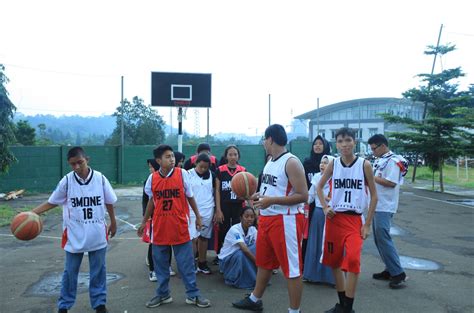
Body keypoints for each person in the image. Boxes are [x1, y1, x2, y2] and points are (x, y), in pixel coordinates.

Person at [31, 146, 117, 313]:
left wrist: (113, 222)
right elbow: (52, 202)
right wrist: (32, 212)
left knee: (98, 271)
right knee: (70, 272)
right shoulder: (67, 181)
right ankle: (64, 305)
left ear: (87, 160)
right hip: (74, 233)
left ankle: (99, 303)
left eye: (80, 162)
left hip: (97, 232)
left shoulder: (100, 179)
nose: (77, 167)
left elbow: (109, 201)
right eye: (72, 164)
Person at [232, 124, 308, 313]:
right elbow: (271, 189)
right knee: (264, 262)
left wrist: (271, 200)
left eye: (264, 140)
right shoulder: (271, 161)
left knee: (292, 268)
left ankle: (294, 310)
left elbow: (303, 195)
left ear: (271, 139)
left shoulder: (291, 162)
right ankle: (255, 299)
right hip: (267, 218)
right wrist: (256, 195)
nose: (263, 143)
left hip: (286, 220)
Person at [138, 145, 211, 309]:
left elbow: (190, 197)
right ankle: (163, 294)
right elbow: (151, 201)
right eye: (167, 157)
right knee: (161, 266)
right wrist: (144, 221)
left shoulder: (182, 174)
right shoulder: (152, 179)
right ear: (158, 161)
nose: (172, 159)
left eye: (172, 156)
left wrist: (198, 217)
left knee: (186, 264)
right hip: (160, 227)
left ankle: (193, 294)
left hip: (179, 226)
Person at [317, 127, 378, 313]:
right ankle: (342, 305)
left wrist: (367, 224)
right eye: (341, 141)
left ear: (355, 142)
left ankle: (347, 307)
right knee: (334, 263)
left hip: (354, 220)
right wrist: (325, 207)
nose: (344, 145)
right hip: (335, 220)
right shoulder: (333, 164)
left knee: (352, 261)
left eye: (348, 140)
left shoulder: (364, 165)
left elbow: (374, 196)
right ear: (336, 144)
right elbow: (319, 187)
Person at [368, 134, 408, 289]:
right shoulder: (380, 160)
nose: (372, 152)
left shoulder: (393, 161)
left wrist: (371, 176)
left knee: (383, 238)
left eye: (373, 148)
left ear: (382, 146)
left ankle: (398, 274)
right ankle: (390, 269)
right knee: (379, 239)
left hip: (385, 205)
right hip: (377, 204)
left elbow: (391, 182)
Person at [303, 154, 335, 285]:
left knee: (330, 246)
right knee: (315, 244)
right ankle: (312, 275)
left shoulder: (336, 179)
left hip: (331, 215)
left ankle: (332, 278)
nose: (322, 165)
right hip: (317, 214)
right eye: (322, 162)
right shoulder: (316, 177)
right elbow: (309, 196)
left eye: (326, 163)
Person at [302, 135, 331, 265]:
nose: (317, 146)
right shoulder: (307, 163)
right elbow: (304, 183)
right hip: (310, 204)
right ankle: (306, 264)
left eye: (320, 143)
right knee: (309, 236)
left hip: (327, 207)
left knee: (327, 237)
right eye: (315, 144)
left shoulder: (334, 165)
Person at [188, 153, 217, 275]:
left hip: (207, 210)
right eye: (201, 167)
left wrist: (216, 210)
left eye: (206, 167)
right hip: (191, 211)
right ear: (196, 163)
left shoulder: (212, 176)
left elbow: (215, 193)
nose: (204, 169)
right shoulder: (188, 174)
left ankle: (202, 263)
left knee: (203, 238)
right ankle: (191, 264)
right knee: (193, 238)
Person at [215, 145, 246, 258]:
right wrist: (218, 210)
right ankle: (222, 255)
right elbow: (217, 191)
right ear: (226, 156)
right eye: (230, 154)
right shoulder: (220, 170)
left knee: (238, 230)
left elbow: (247, 192)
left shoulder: (242, 171)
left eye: (235, 154)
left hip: (238, 206)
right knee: (223, 231)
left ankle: (236, 254)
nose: (233, 157)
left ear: (238, 156)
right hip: (224, 206)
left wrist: (248, 202)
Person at [218, 206, 258, 289]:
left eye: (252, 217)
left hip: (240, 258)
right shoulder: (234, 229)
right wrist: (258, 263)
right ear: (241, 218)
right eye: (246, 216)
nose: (249, 219)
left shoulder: (253, 230)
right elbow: (245, 249)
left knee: (257, 247)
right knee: (242, 253)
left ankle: (254, 276)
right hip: (227, 261)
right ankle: (234, 278)